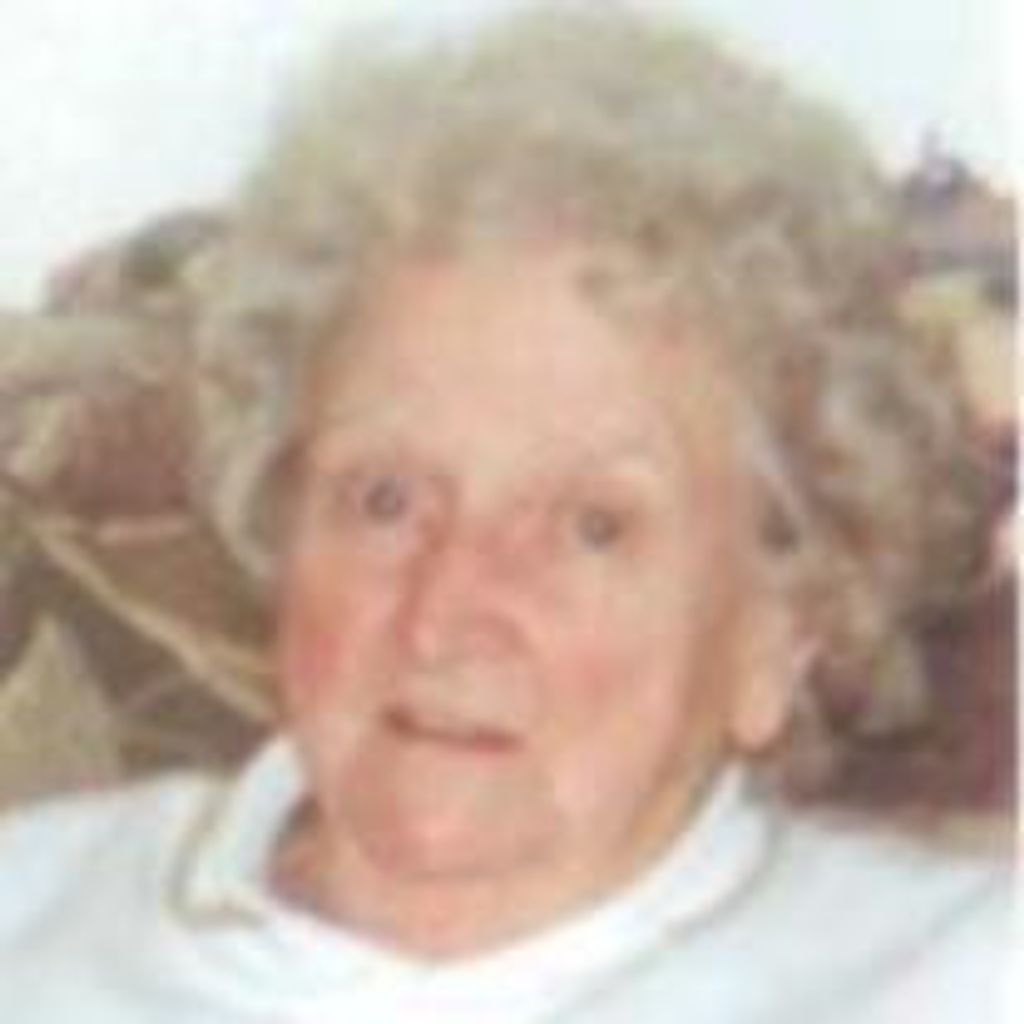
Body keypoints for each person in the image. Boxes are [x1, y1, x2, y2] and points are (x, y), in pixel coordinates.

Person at [0, 6, 1010, 1021]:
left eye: (592, 526)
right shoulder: (33, 899)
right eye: (386, 498)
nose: (446, 613)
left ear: (782, 630)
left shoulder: (965, 973)